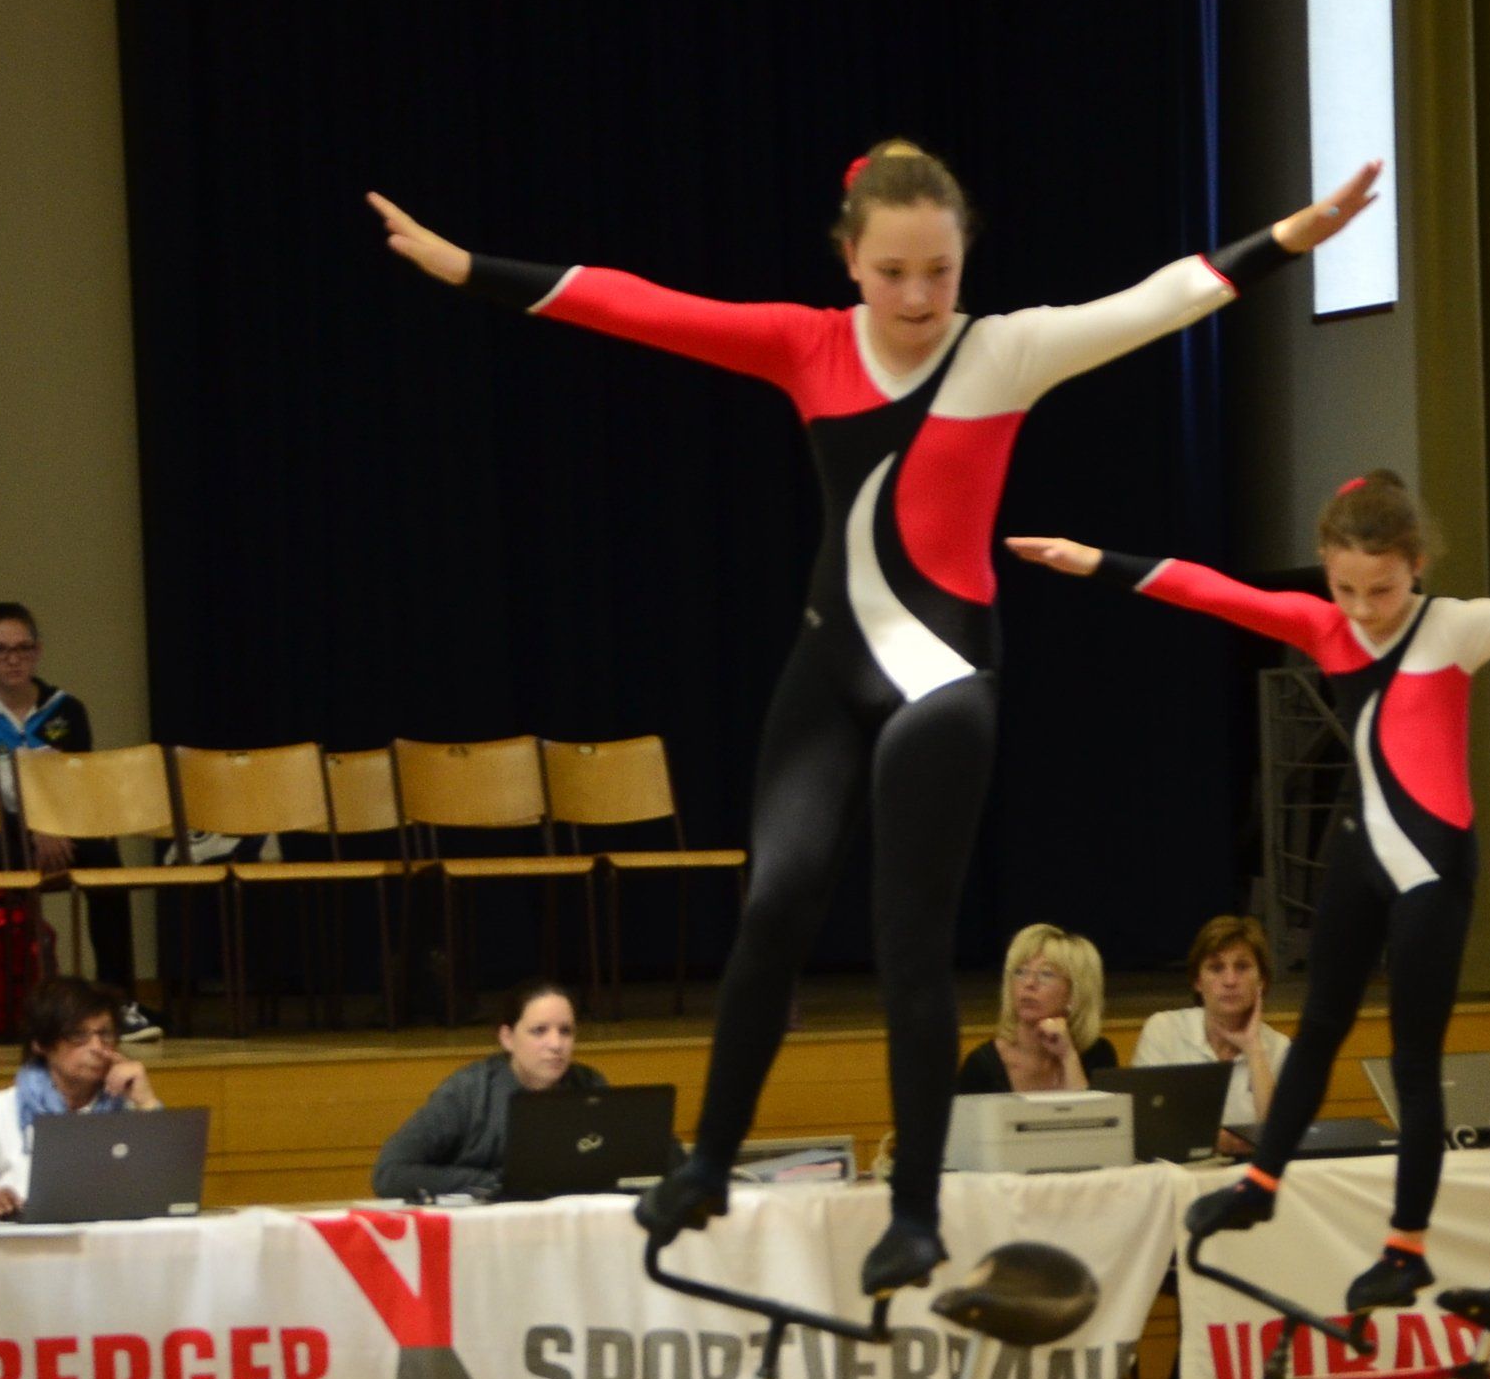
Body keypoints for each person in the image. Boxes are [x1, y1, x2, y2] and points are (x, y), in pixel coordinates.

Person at [371, 141, 1379, 1294]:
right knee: (774, 909)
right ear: (850, 259)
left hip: (946, 682)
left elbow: (1164, 298)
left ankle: (915, 1216)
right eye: (892, 271)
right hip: (830, 669)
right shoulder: (806, 344)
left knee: (909, 937)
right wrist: (466, 267)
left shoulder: (1005, 351)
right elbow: (637, 306)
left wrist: (1292, 237)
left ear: (964, 262)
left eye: (939, 271)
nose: (915, 296)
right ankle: (707, 1166)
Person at [1009, 472, 1490, 1309]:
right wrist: (1091, 560)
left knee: (1413, 1056)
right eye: (1345, 589)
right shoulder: (1324, 624)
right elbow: (1209, 590)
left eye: (1381, 589)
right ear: (1326, 569)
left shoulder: (1458, 627)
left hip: (1433, 868)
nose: (1364, 608)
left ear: (1416, 564)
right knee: (1320, 1025)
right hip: (1357, 849)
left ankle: (1406, 1249)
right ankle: (1261, 1185)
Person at [0, 601, 152, 1036]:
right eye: (0, 650)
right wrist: (32, 830)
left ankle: (118, 1002)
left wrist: (53, 826)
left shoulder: (66, 709)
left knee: (106, 864)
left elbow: (75, 782)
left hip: (61, 829)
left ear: (38, 650)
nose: (13, 659)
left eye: (23, 648)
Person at [0, 975, 161, 1219]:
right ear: (41, 1043)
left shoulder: (130, 1107)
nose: (97, 1047)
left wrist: (147, 1102)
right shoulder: (0, 1109)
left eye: (105, 1034)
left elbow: (169, 1191)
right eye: (78, 1035)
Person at [372, 980, 609, 1201]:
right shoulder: (468, 1092)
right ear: (507, 1038)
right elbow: (389, 1173)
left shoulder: (589, 1085)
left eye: (565, 1031)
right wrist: (495, 1184)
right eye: (539, 1031)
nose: (556, 1044)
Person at [1131, 913, 1292, 1149]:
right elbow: (1145, 1126)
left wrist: (1254, 1049)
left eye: (1242, 967)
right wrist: (1219, 1141)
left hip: (1250, 1169)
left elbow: (1278, 1140)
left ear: (1262, 981)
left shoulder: (1279, 1047)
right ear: (1197, 981)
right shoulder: (1164, 1030)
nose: (1230, 980)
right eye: (1216, 968)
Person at [958, 924, 1115, 1095]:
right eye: (1020, 972)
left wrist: (1068, 1057)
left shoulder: (1097, 1055)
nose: (1029, 983)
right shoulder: (982, 1066)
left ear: (1075, 993)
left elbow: (1093, 1113)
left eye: (1046, 974)